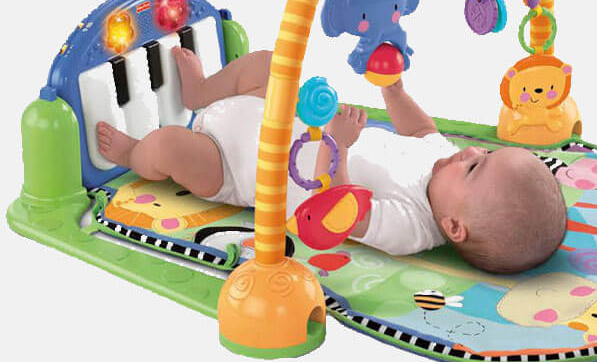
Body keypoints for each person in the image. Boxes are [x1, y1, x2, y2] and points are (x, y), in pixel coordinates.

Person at [97, 48, 566, 273]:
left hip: (236, 164)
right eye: (485, 151)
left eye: (476, 167)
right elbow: (421, 130)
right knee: (269, 64)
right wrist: (394, 92)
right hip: (275, 114)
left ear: (454, 226)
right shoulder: (445, 162)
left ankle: (134, 152)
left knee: (168, 147)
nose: (471, 151)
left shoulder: (411, 227)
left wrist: (337, 147)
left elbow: (342, 212)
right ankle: (203, 92)